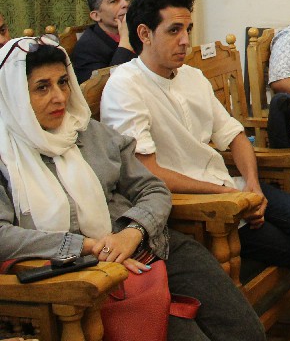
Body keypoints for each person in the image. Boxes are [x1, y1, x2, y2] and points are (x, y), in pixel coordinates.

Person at [100, 0, 290, 341]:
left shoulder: (191, 76)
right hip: (198, 212)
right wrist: (229, 196)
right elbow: (149, 173)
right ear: (144, 34)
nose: (185, 41)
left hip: (232, 191)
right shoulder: (126, 86)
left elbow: (235, 136)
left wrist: (251, 185)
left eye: (188, 29)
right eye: (174, 30)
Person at [0, 36, 264, 341]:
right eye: (42, 88)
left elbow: (152, 188)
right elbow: (3, 236)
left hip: (149, 245)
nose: (59, 97)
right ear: (14, 95)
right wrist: (88, 247)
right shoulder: (6, 156)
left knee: (246, 331)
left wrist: (132, 232)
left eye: (63, 82)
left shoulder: (89, 133)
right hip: (76, 278)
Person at [71, 0, 137, 82]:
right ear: (96, 15)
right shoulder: (87, 48)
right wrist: (125, 41)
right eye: (114, 1)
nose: (126, 4)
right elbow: (107, 87)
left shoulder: (139, 30)